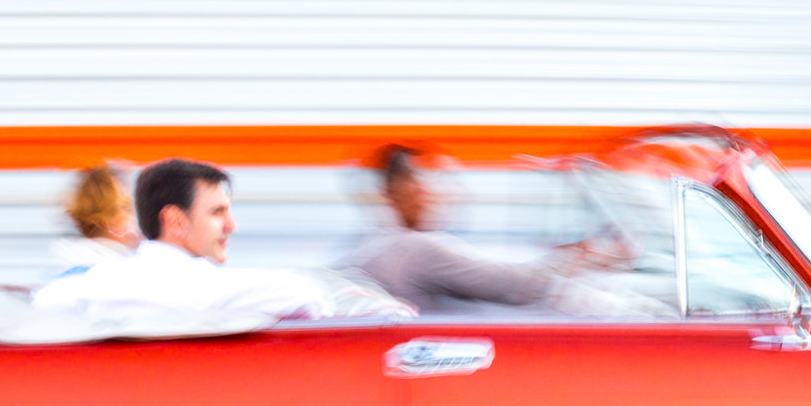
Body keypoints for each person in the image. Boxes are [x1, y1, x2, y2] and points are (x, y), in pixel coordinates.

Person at [33, 158, 408, 321]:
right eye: (217, 212)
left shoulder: (85, 286)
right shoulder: (201, 288)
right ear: (175, 222)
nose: (232, 226)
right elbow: (305, 296)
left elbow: (46, 301)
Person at [346, 142, 640, 316]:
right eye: (427, 179)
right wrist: (582, 256)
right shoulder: (414, 249)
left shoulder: (369, 251)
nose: (442, 192)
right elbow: (518, 286)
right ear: (396, 191)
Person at [44, 163, 140, 279]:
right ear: (109, 219)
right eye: (127, 209)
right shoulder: (118, 274)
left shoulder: (64, 265)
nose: (135, 219)